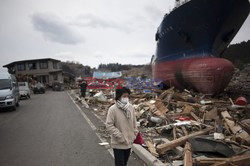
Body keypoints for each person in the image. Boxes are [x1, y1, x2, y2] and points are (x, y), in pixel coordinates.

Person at [106, 87, 137, 166]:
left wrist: (134, 134)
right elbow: (109, 125)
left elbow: (134, 123)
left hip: (129, 142)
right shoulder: (113, 109)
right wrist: (120, 136)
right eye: (124, 96)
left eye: (127, 96)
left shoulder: (131, 108)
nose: (126, 98)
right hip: (118, 143)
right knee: (120, 164)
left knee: (125, 163)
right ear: (119, 97)